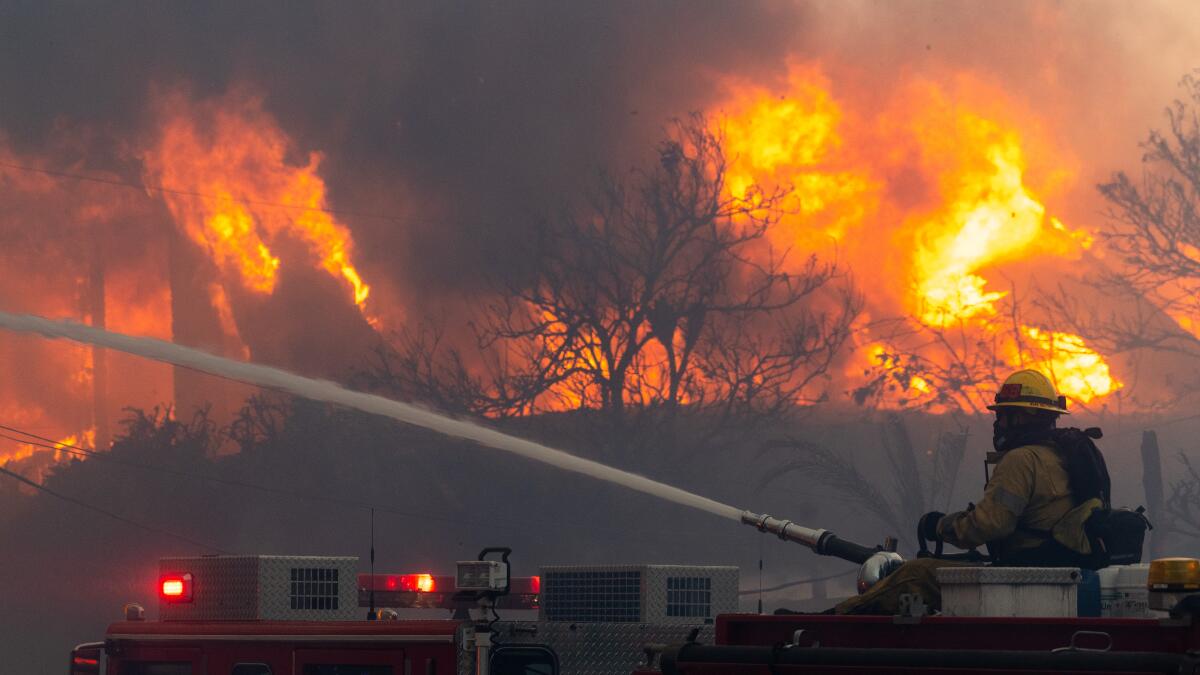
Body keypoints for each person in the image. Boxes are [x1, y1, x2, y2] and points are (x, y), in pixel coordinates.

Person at [834, 369, 1097, 615]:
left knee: (915, 574)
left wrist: (940, 526)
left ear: (1024, 417)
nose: (1000, 423)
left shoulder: (1021, 460)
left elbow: (990, 525)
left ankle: (832, 622)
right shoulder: (1063, 455)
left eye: (1005, 415)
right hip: (1054, 570)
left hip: (1023, 574)